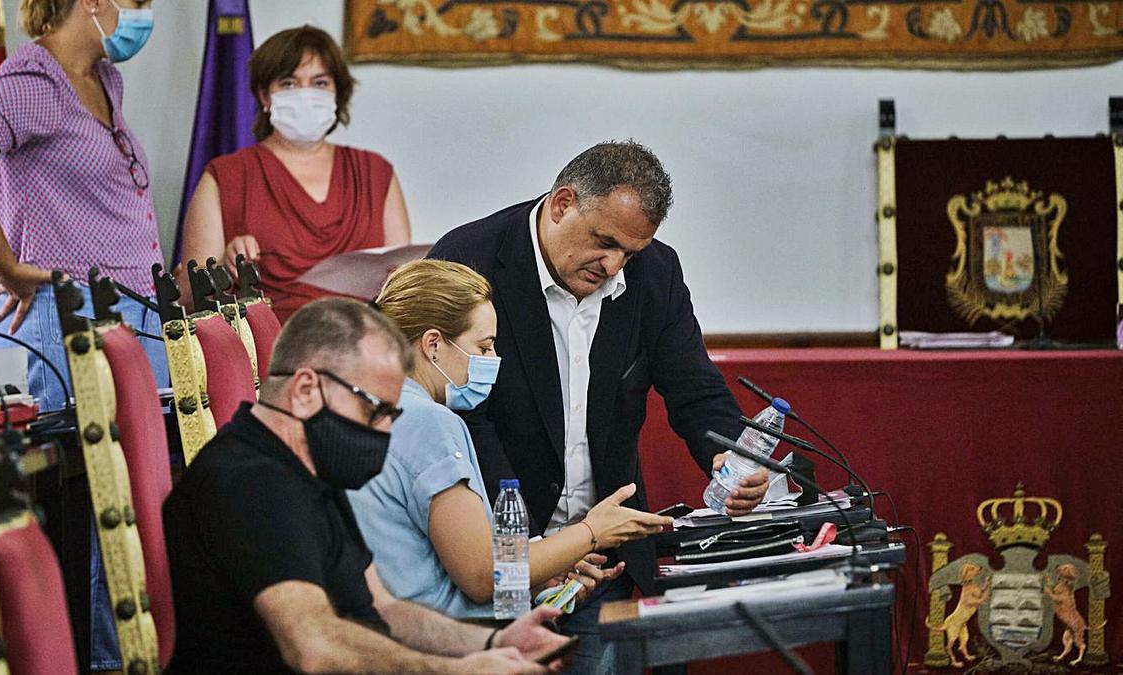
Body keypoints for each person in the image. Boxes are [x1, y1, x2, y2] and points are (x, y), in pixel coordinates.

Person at [429, 140, 771, 673]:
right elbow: (461, 417)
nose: (613, 266)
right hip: (503, 560)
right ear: (564, 203)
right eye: (605, 242)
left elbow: (696, 389)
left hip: (608, 565)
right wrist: (538, 550)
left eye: (629, 253)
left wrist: (729, 457)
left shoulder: (654, 272)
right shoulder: (470, 259)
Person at [0, 0, 165, 670]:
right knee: (93, 503)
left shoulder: (104, 82)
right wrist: (5, 266)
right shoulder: (34, 82)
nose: (145, 14)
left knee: (131, 503)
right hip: (69, 324)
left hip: (129, 315)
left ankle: (128, 655)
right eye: (138, 1)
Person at [162, 299, 569, 673]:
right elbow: (314, 646)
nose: (386, 430)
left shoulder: (313, 466)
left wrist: (495, 641)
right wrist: (458, 670)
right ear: (306, 391)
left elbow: (384, 609)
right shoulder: (251, 481)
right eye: (374, 409)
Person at [349, 259, 670, 620]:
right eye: (484, 346)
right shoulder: (429, 421)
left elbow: (428, 551)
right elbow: (482, 575)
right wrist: (594, 531)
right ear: (433, 344)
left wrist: (540, 571)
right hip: (447, 638)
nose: (494, 359)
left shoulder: (364, 407)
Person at [177, 25, 410, 322]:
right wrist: (223, 265)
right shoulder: (225, 176)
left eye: (320, 82)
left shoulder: (375, 172)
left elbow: (405, 286)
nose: (305, 94)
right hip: (264, 357)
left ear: (338, 92)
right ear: (264, 95)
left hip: (363, 350)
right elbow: (186, 299)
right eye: (288, 83)